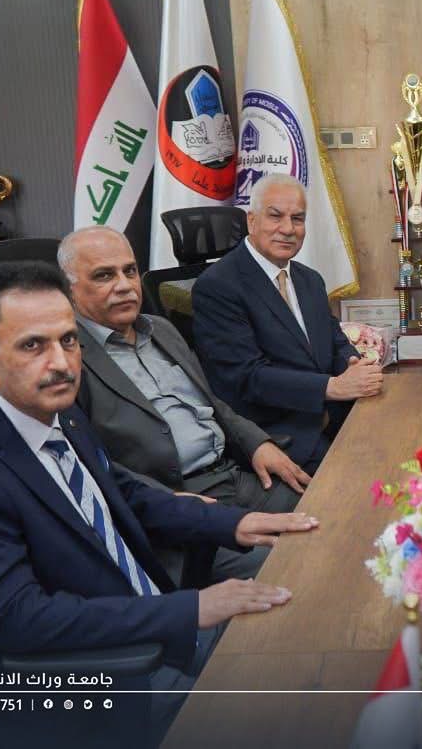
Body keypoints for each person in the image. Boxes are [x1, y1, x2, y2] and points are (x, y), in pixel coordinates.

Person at [0, 262, 317, 742]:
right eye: (32, 345)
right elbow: (21, 618)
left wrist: (232, 524)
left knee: (308, 626)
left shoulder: (58, 414)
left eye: (68, 340)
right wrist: (189, 609)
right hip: (108, 679)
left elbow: (124, 494)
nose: (61, 363)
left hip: (148, 626)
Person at [59, 226, 308, 582]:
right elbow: (92, 466)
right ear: (70, 289)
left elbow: (212, 403)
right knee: (290, 567)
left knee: (333, 516)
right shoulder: (68, 360)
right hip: (179, 504)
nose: (125, 285)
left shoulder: (161, 329)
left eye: (130, 271)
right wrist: (170, 503)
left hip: (234, 475)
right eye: (104, 276)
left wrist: (257, 443)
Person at [193, 175, 382, 468]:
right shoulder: (217, 286)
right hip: (278, 437)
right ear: (251, 221)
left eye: (297, 219)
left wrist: (354, 367)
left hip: (333, 417)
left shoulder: (310, 280)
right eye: (275, 216)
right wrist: (331, 387)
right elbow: (247, 377)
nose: (288, 229)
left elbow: (334, 342)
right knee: (368, 476)